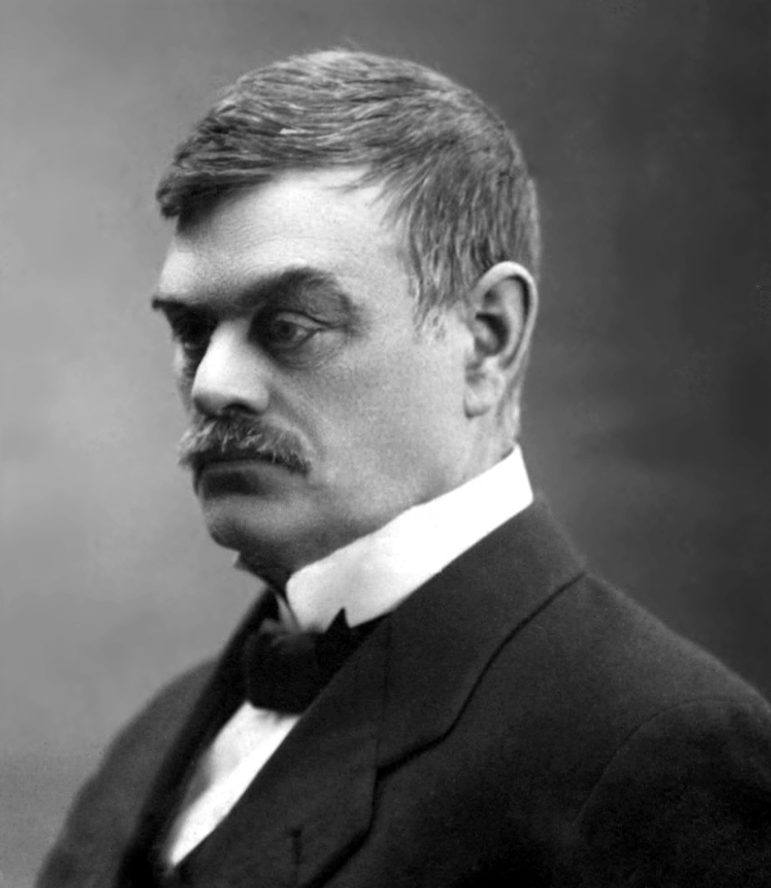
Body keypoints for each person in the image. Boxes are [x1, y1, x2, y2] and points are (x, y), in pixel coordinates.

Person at [38, 49, 771, 888]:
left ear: (486, 339)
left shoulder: (655, 750)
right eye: (192, 333)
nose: (213, 385)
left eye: (290, 325)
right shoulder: (153, 743)